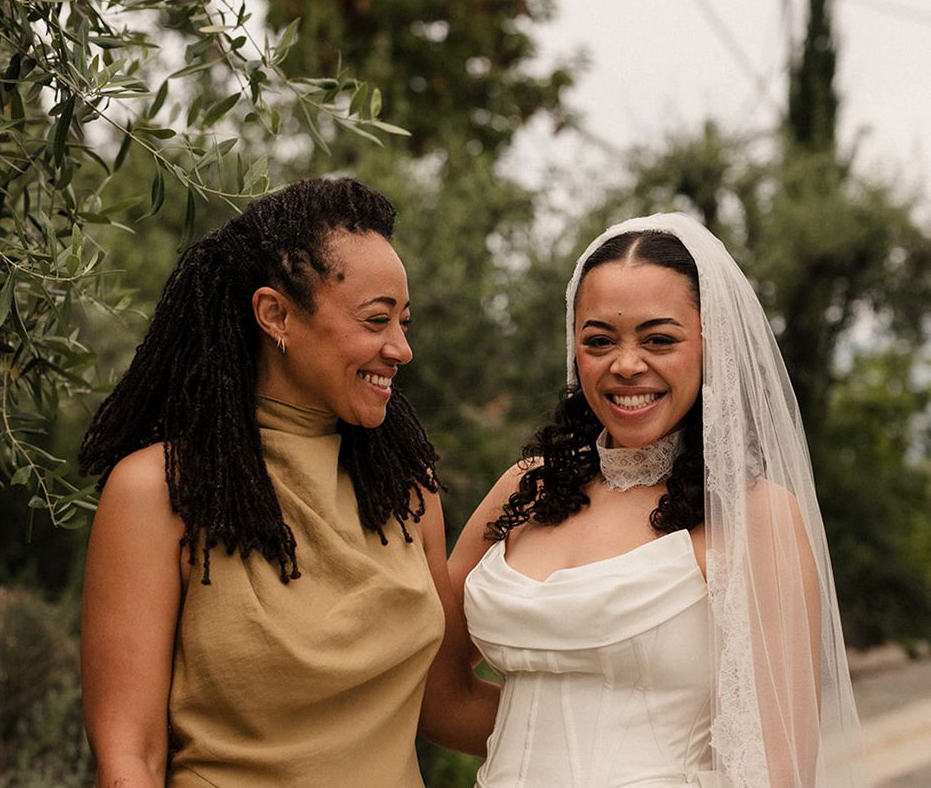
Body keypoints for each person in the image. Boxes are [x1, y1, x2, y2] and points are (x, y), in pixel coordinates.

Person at [79, 176, 497, 788]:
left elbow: (442, 705)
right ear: (275, 314)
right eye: (377, 320)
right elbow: (129, 761)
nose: (402, 349)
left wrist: (636, 733)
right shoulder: (161, 490)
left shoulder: (407, 490)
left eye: (403, 322)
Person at [427, 212, 860, 787]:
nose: (626, 365)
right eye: (600, 340)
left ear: (711, 345)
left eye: (659, 339)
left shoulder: (755, 514)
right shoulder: (524, 488)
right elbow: (436, 696)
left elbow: (777, 766)